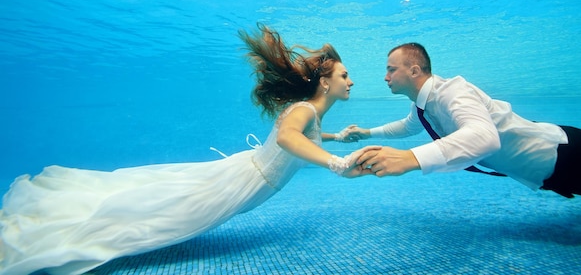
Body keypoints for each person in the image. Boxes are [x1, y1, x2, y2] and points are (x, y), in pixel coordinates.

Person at [0, 24, 369, 275]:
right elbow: (289, 139)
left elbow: (299, 137)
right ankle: (62, 238)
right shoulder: (304, 110)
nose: (350, 82)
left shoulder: (310, 116)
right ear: (324, 82)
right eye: (343, 76)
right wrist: (336, 163)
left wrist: (338, 138)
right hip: (240, 183)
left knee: (160, 200)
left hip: (244, 175)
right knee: (168, 218)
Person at [348, 42, 581, 205]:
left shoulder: (452, 92)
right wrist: (365, 133)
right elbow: (408, 126)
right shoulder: (423, 105)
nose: (386, 77)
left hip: (571, 154)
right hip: (550, 174)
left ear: (414, 70)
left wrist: (411, 158)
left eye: (390, 69)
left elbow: (484, 137)